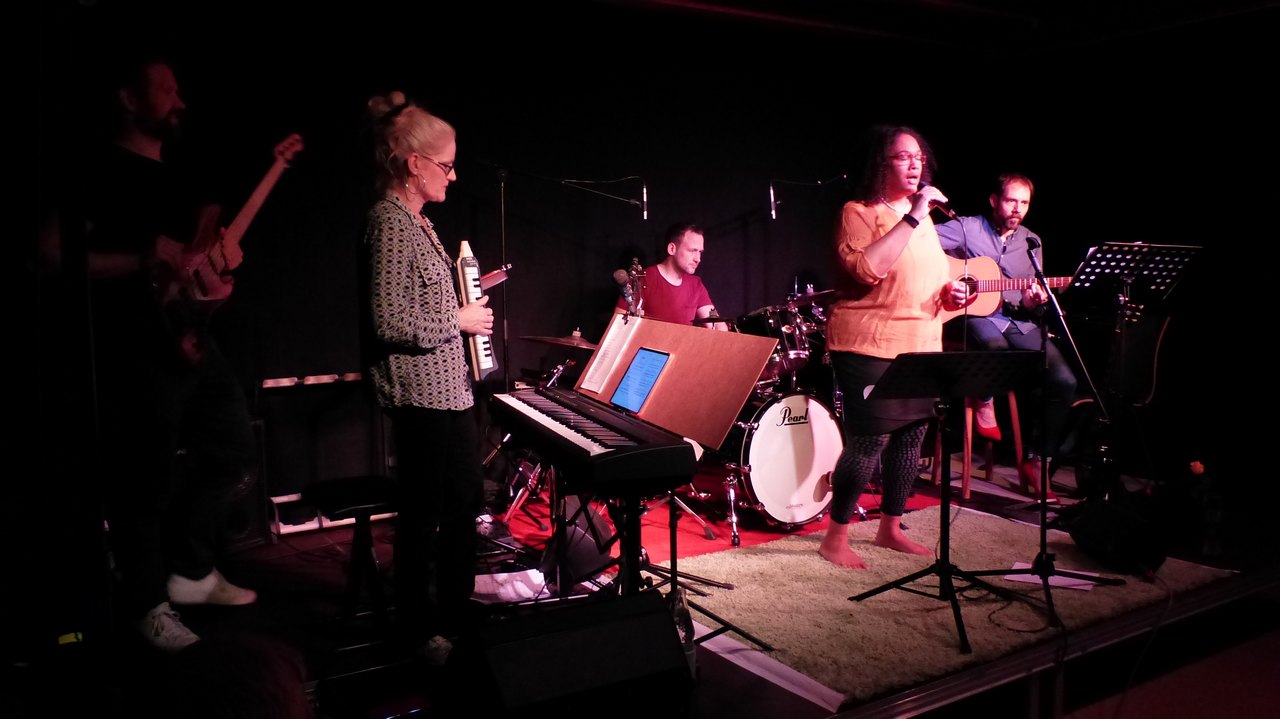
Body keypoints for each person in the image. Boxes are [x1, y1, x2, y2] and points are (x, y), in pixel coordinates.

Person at [37, 56, 260, 651]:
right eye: (166, 89)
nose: (179, 100)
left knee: (234, 450)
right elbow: (51, 254)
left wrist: (215, 281)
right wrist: (139, 259)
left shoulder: (178, 176)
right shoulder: (96, 168)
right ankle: (146, 603)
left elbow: (190, 269)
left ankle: (190, 570)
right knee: (142, 481)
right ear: (129, 99)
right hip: (131, 348)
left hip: (191, 339)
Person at [362, 91, 493, 664]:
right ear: (415, 164)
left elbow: (423, 303)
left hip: (450, 394)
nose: (453, 175)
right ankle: (417, 632)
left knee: (464, 505)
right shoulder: (389, 222)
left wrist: (465, 307)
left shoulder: (418, 223)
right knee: (422, 517)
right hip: (419, 398)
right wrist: (458, 319)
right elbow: (388, 320)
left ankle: (455, 613)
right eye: (446, 164)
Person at [818, 125, 972, 569]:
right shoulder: (858, 212)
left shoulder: (925, 219)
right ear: (880, 164)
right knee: (869, 441)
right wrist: (914, 214)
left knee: (911, 440)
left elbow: (926, 280)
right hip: (870, 342)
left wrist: (952, 293)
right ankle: (835, 537)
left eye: (919, 157)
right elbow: (868, 269)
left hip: (922, 343)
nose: (914, 164)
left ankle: (890, 527)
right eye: (903, 157)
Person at [936, 174, 1078, 500]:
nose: (1018, 209)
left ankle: (1037, 460)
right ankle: (984, 398)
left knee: (1064, 381)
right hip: (972, 315)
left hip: (1016, 321)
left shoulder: (1032, 242)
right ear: (994, 200)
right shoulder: (967, 228)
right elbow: (920, 244)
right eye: (1011, 200)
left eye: (1024, 203)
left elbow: (1029, 300)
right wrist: (947, 280)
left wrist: (1031, 302)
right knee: (994, 346)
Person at [616, 223, 729, 330]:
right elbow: (619, 325)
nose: (698, 259)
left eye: (700, 252)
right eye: (692, 251)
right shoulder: (643, 278)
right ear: (672, 249)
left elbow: (717, 325)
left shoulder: (696, 284)